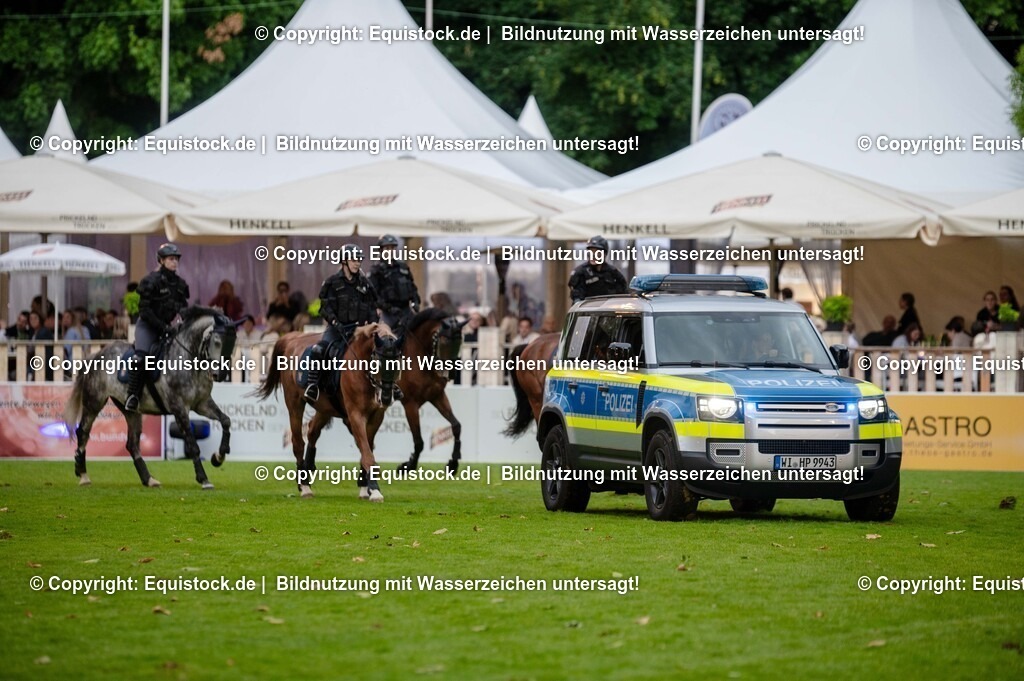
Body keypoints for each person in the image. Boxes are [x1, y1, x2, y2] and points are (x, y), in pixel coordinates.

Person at [304, 244, 380, 403]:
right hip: (337, 330)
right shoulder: (332, 282)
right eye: (354, 260)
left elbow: (373, 307)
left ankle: (387, 387)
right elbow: (325, 308)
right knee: (318, 350)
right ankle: (313, 386)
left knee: (383, 349)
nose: (357, 263)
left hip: (360, 330)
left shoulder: (365, 284)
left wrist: (373, 324)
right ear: (344, 261)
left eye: (359, 260)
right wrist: (335, 323)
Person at [125, 243, 190, 412]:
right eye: (171, 259)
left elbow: (183, 308)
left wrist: (183, 323)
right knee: (141, 358)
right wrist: (162, 327)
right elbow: (144, 311)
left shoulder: (181, 284)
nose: (174, 262)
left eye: (176, 259)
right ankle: (133, 396)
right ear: (161, 260)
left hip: (168, 328)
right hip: (148, 327)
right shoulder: (150, 281)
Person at [369, 234, 420, 338]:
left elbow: (412, 288)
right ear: (381, 250)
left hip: (406, 311)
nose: (390, 251)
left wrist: (416, 301)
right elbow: (374, 297)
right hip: (388, 314)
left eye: (392, 248)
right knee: (385, 340)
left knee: (420, 335)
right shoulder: (376, 270)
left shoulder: (403, 267)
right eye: (387, 248)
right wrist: (390, 309)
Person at [568, 235, 627, 302]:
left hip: (609, 309)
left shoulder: (613, 272)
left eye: (597, 253)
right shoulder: (580, 272)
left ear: (604, 254)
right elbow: (577, 299)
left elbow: (623, 295)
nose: (593, 256)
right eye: (591, 252)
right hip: (587, 310)